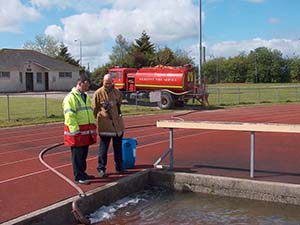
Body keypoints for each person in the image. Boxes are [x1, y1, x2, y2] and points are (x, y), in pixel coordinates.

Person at [62, 75, 97, 185]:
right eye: (86, 86)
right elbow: (70, 116)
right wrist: (75, 131)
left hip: (86, 131)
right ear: (80, 83)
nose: (87, 88)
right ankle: (78, 176)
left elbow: (88, 112)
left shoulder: (85, 96)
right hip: (77, 132)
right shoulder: (70, 98)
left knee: (83, 154)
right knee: (77, 155)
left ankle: (83, 172)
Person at [92, 73, 125, 178]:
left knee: (118, 148)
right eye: (105, 83)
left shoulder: (117, 92)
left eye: (109, 83)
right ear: (103, 82)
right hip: (105, 126)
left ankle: (119, 166)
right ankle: (101, 168)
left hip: (117, 126)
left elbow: (119, 105)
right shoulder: (98, 93)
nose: (107, 85)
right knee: (103, 149)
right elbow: (94, 109)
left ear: (112, 83)